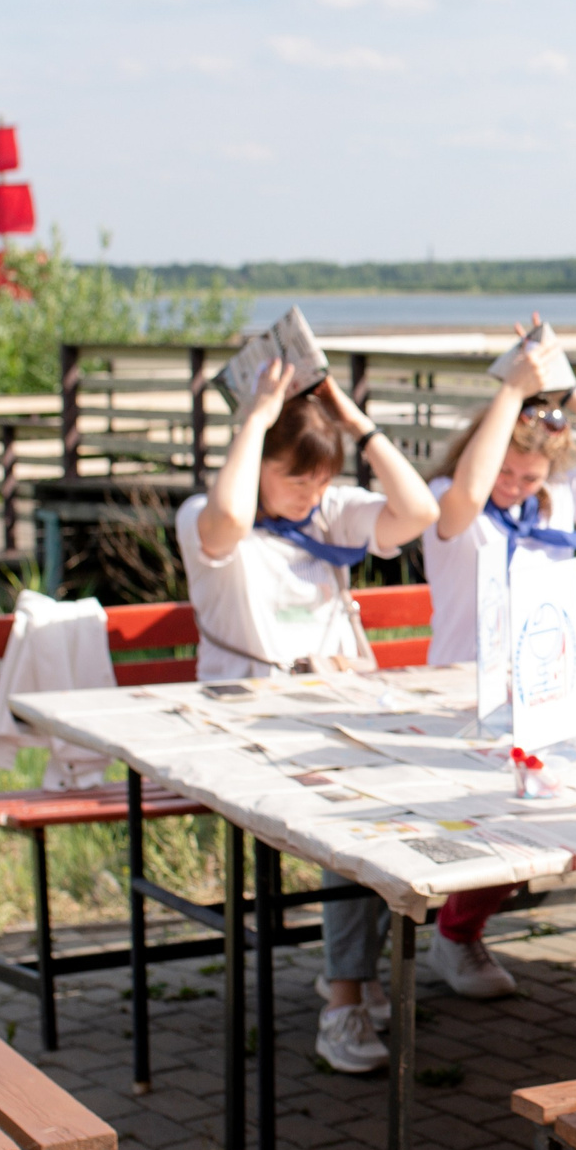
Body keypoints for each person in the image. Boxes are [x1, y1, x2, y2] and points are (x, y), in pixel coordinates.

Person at [177, 359, 439, 1075]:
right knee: (351, 815)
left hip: (334, 714)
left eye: (321, 479)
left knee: (403, 802)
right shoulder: (209, 519)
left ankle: (350, 970)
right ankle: (344, 1000)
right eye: (296, 478)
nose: (312, 493)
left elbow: (418, 512)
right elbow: (227, 520)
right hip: (249, 723)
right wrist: (256, 417)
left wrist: (357, 423)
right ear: (257, 464)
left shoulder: (328, 513)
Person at [416, 321, 576, 1038]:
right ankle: (456, 931)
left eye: (530, 477)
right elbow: (472, 484)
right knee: (513, 822)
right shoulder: (456, 502)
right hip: (465, 696)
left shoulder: (554, 504)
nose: (517, 486)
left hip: (545, 688)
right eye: (508, 472)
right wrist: (512, 390)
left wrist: (566, 388)